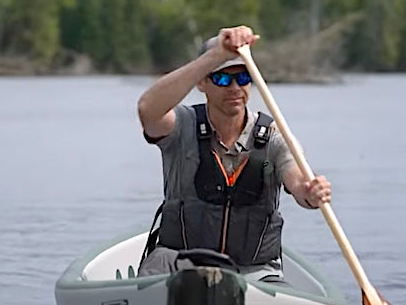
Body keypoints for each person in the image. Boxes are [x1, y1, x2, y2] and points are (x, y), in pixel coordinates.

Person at [136, 25, 331, 282]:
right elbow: (147, 110)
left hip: (253, 273)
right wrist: (216, 55)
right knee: (162, 271)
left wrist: (310, 192)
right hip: (179, 265)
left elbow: (298, 183)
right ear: (202, 82)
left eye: (243, 78)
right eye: (223, 79)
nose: (235, 88)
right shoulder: (182, 126)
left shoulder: (274, 135)